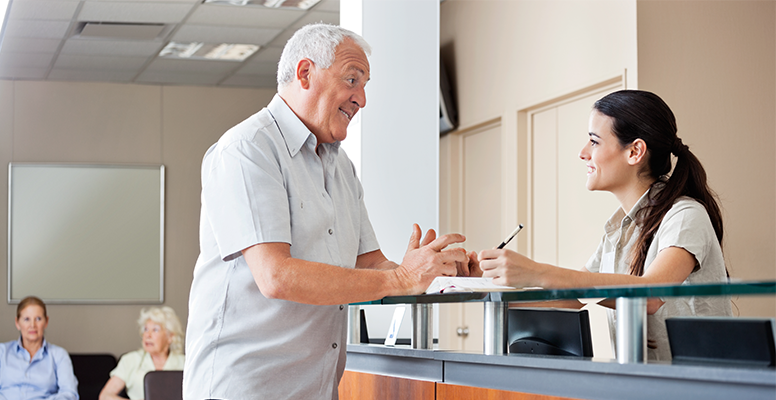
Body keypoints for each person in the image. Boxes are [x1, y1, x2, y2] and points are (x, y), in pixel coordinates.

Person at [183, 23, 473, 400]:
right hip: (244, 389)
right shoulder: (246, 150)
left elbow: (371, 266)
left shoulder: (341, 167)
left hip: (315, 389)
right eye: (352, 80)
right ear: (305, 73)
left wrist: (434, 269)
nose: (362, 99)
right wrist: (402, 279)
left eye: (365, 85)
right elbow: (276, 277)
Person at [477, 90, 732, 361]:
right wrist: (481, 284)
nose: (583, 153)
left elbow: (650, 296)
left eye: (594, 142)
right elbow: (572, 298)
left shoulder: (685, 215)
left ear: (635, 151)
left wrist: (538, 272)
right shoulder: (618, 230)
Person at [0, 296, 79, 400]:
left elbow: (70, 394)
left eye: (38, 319)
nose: (32, 325)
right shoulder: (2, 352)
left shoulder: (58, 355)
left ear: (46, 321)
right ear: (17, 323)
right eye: (26, 319)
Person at [99, 307, 184, 400]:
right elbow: (105, 396)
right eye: (146, 329)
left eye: (155, 330)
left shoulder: (185, 362)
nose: (147, 335)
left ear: (170, 336)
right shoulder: (130, 360)